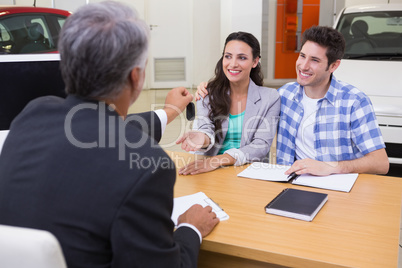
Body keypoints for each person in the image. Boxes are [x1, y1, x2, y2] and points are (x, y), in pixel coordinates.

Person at [0, 2, 218, 268]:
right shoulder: (148, 168)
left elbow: (100, 129)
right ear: (136, 78)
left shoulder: (32, 116)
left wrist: (168, 112)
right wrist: (190, 229)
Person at [196, 26, 389, 176]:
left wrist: (330, 167)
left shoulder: (354, 101)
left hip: (337, 183)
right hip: (291, 181)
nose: (303, 66)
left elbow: (381, 163)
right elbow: (247, 95)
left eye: (314, 60)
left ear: (334, 65)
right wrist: (207, 88)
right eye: (302, 56)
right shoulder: (285, 95)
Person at [176, 31, 280, 175]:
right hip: (209, 170)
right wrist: (203, 138)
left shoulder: (270, 98)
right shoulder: (207, 93)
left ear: (255, 62)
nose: (233, 64)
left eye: (242, 58)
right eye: (228, 56)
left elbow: (261, 145)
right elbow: (206, 128)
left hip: (248, 171)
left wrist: (219, 160)